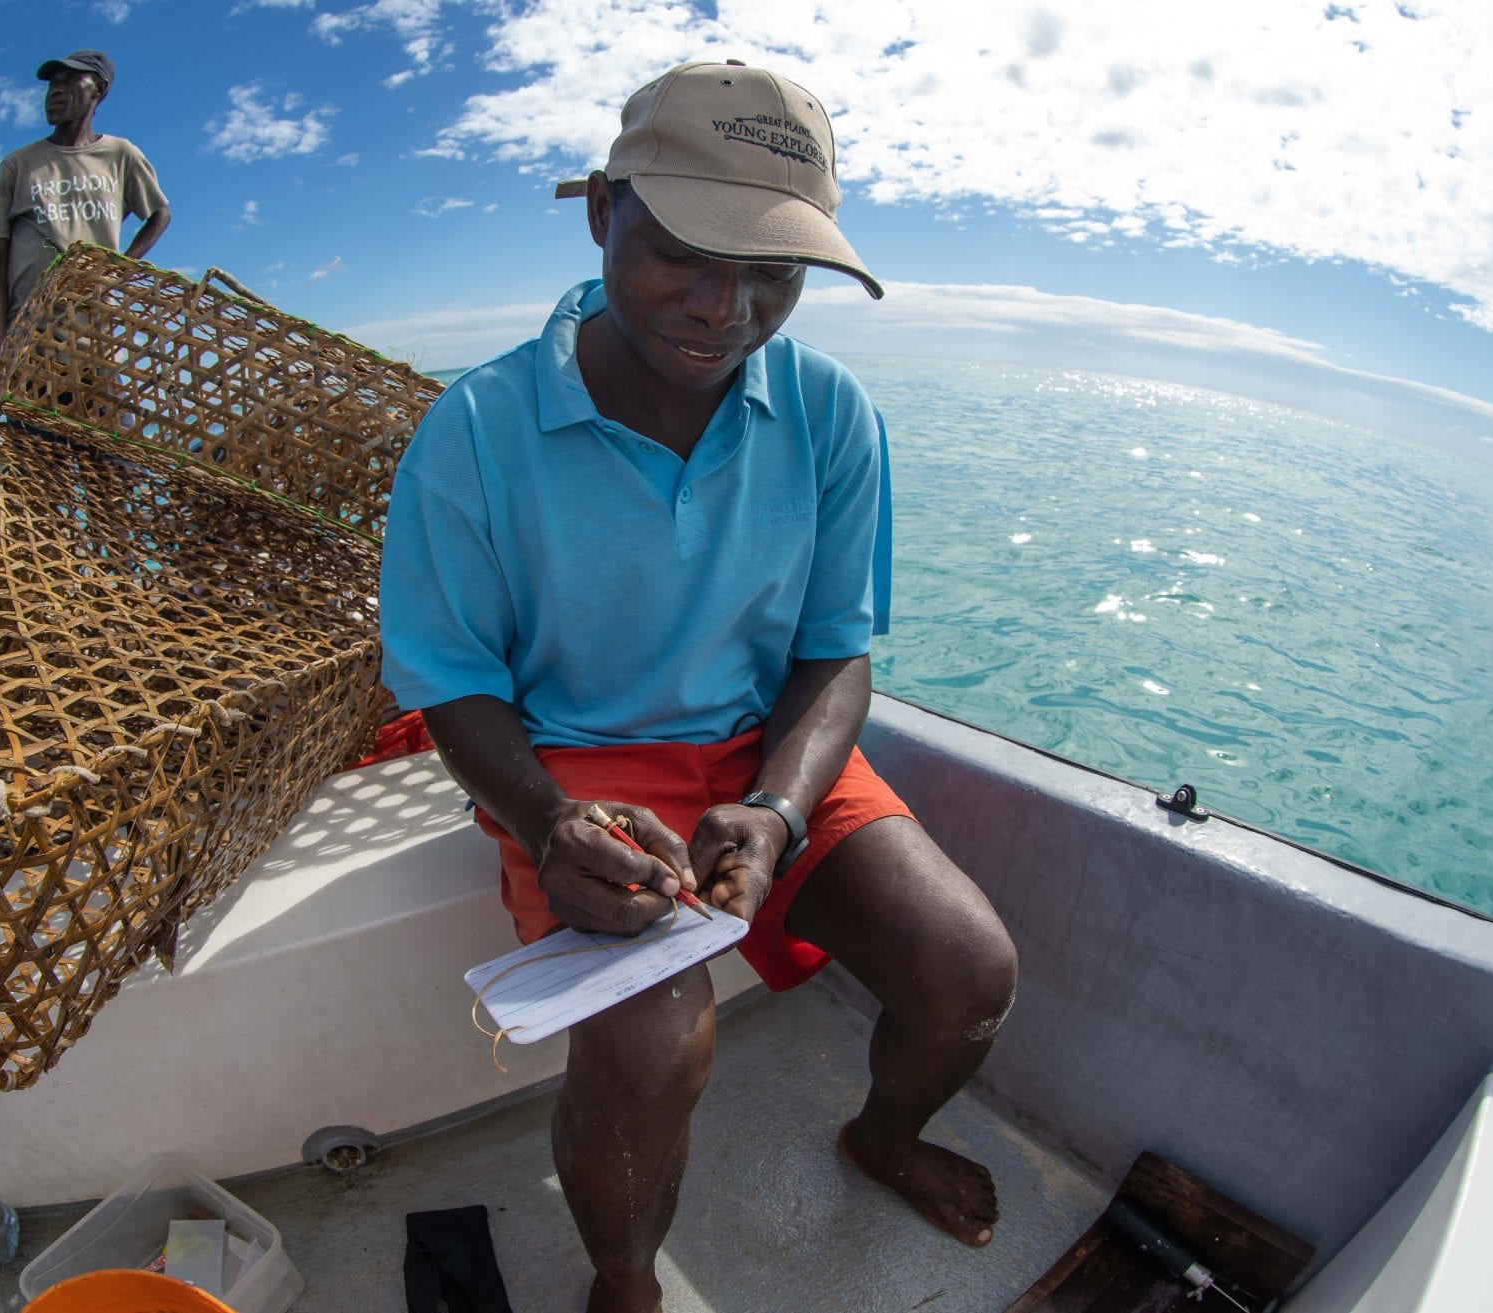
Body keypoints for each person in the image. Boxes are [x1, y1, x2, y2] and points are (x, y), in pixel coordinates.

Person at [378, 59, 1018, 1313]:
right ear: (603, 212)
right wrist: (547, 818)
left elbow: (835, 651)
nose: (726, 308)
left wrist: (777, 808)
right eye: (686, 249)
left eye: (772, 271)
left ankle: (879, 1138)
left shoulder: (831, 412)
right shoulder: (475, 428)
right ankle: (625, 1280)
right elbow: (451, 682)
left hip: (760, 748)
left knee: (967, 969)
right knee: (651, 1040)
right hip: (572, 767)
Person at [0, 49, 171, 364]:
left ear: (99, 89)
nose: (55, 90)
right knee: (30, 413)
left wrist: (117, 268)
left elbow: (159, 214)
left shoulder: (119, 155)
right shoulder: (17, 165)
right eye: (53, 83)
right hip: (30, 338)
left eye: (70, 81)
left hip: (97, 335)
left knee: (109, 411)